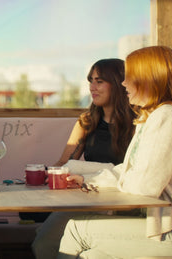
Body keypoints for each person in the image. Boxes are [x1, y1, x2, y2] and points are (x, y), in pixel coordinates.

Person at [58, 46, 172, 258]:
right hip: (165, 225)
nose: (124, 83)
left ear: (148, 78)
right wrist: (85, 179)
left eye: (129, 77)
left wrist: (115, 178)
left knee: (76, 230)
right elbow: (129, 171)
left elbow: (144, 186)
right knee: (91, 255)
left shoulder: (170, 115)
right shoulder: (150, 118)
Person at [31, 59, 136, 258]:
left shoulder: (139, 124)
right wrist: (43, 176)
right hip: (88, 197)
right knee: (43, 243)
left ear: (118, 83)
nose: (92, 87)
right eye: (90, 81)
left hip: (123, 202)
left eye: (99, 81)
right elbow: (64, 163)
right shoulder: (87, 121)